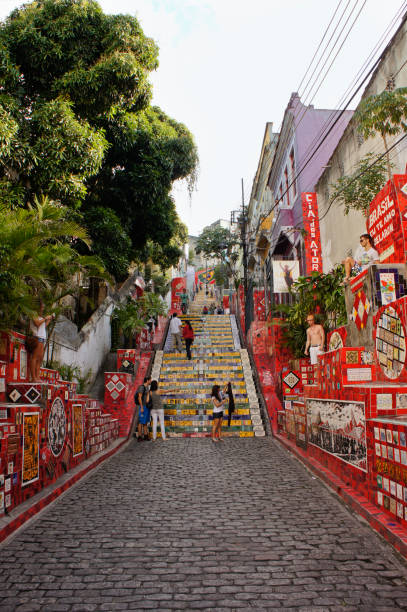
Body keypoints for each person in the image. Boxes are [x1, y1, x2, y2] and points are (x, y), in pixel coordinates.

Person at [28, 303, 54, 382]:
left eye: (43, 307)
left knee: (39, 359)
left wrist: (50, 319)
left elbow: (43, 326)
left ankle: (37, 377)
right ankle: (33, 378)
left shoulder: (40, 317)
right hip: (37, 338)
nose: (42, 309)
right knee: (34, 358)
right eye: (41, 307)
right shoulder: (33, 315)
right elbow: (37, 323)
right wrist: (46, 318)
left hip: (42, 338)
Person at [135, 376, 152, 442]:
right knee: (140, 422)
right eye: (150, 380)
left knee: (145, 421)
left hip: (146, 407)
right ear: (147, 380)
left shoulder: (147, 387)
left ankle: (145, 435)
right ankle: (139, 436)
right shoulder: (141, 387)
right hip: (143, 407)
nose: (150, 381)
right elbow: (139, 397)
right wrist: (141, 407)